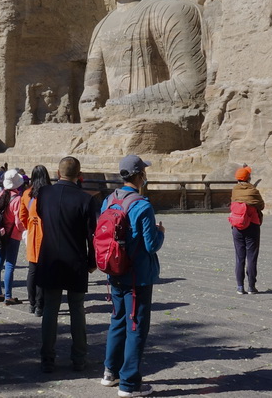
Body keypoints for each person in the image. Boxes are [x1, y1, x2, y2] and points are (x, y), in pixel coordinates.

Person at [79, 0, 206, 121]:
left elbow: (190, 84)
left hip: (158, 121)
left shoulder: (171, 12)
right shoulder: (101, 27)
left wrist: (122, 106)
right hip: (111, 122)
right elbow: (91, 90)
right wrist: (88, 105)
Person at [102, 154, 165, 398]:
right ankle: (128, 384)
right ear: (139, 175)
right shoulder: (142, 205)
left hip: (114, 270)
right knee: (136, 326)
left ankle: (110, 372)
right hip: (137, 276)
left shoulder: (108, 200)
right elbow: (151, 245)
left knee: (117, 320)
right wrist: (160, 232)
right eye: (144, 172)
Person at [36, 156, 100, 373]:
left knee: (50, 309)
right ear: (79, 175)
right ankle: (79, 358)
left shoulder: (44, 194)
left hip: (50, 258)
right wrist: (92, 261)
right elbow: (92, 235)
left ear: (57, 173)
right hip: (75, 260)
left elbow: (41, 216)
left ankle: (47, 358)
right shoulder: (85, 199)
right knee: (77, 309)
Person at [18, 164, 53, 316]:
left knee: (32, 270)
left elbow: (22, 216)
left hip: (33, 232)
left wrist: (30, 226)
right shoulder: (50, 193)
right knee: (44, 271)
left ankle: (32, 303)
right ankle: (40, 305)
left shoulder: (27, 193)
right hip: (47, 233)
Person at [229, 165, 265, 295]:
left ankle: (240, 286)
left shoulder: (235, 190)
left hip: (237, 226)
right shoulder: (253, 191)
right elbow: (261, 205)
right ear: (249, 178)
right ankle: (251, 286)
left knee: (239, 257)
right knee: (251, 257)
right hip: (252, 226)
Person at [0, 169, 25, 305]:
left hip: (0, 233)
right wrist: (23, 230)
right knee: (10, 265)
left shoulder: (0, 195)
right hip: (13, 234)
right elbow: (18, 221)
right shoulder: (17, 199)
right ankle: (8, 296)